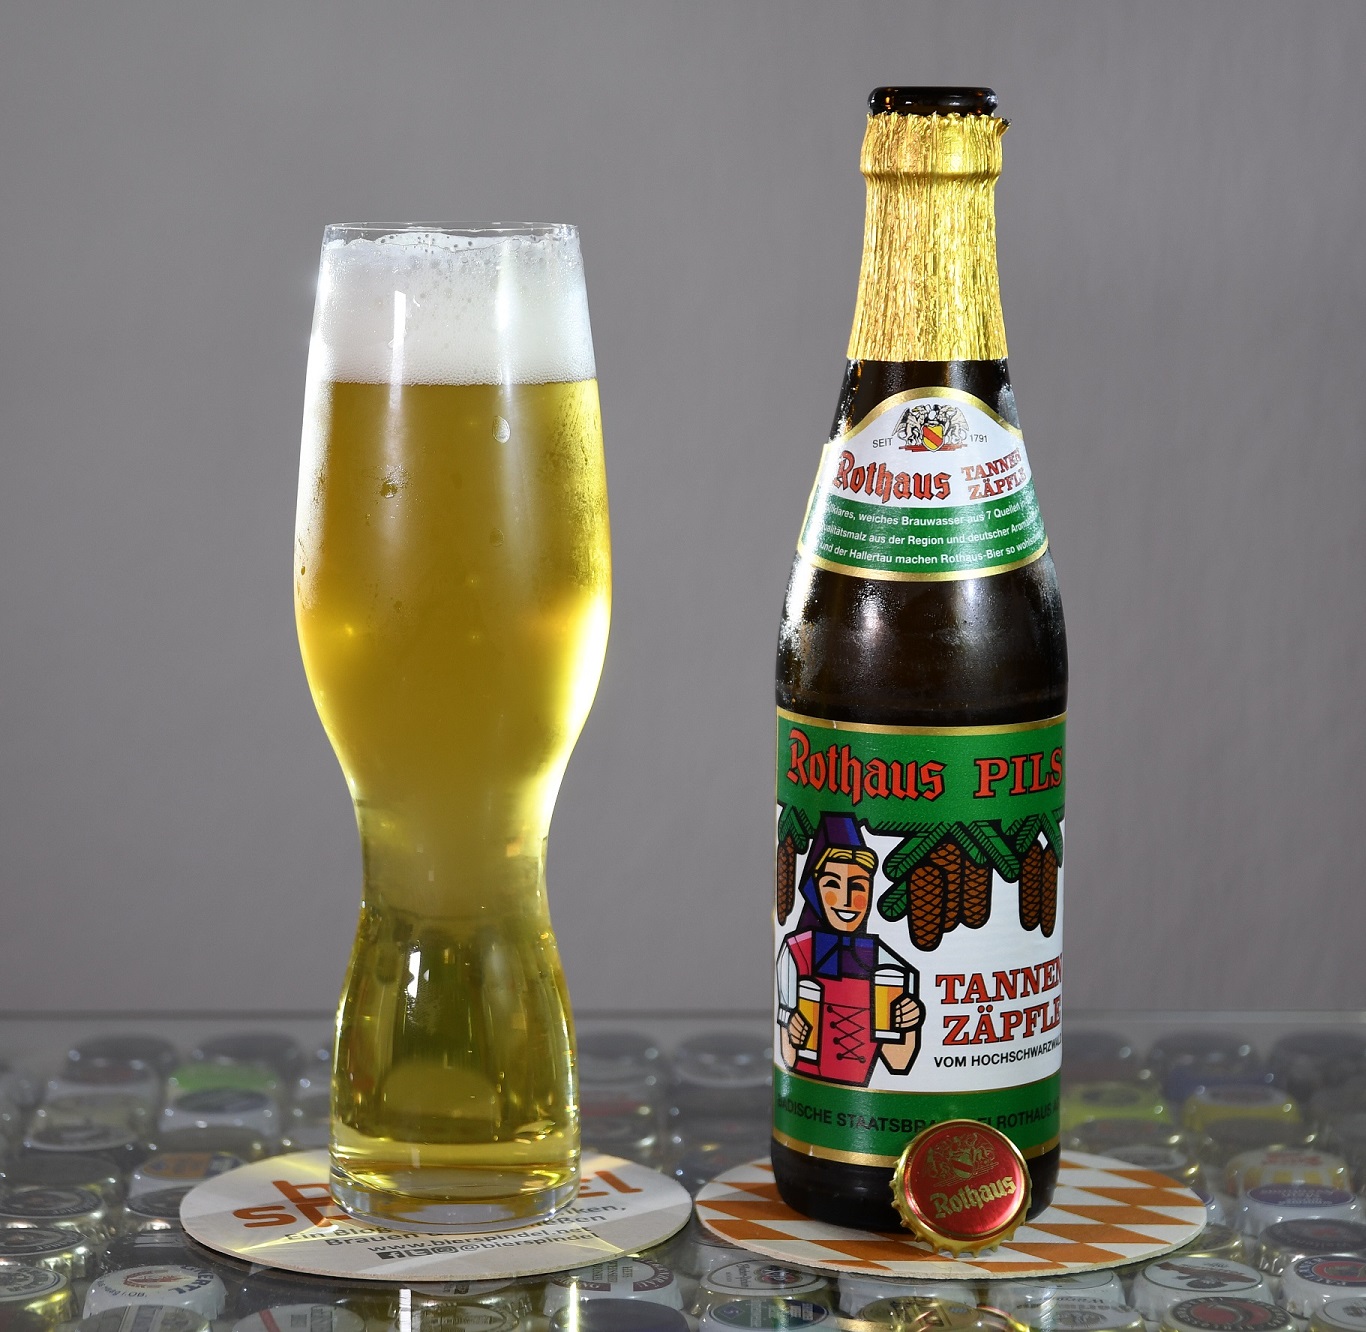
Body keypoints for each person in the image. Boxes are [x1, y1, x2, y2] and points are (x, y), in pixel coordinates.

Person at [776, 814, 924, 1085]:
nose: (846, 900)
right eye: (832, 884)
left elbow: (899, 1061)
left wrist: (908, 1025)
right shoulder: (795, 953)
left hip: (864, 1099)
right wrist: (792, 1031)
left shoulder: (887, 965)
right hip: (807, 1096)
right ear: (815, 889)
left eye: (857, 886)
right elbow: (788, 1057)